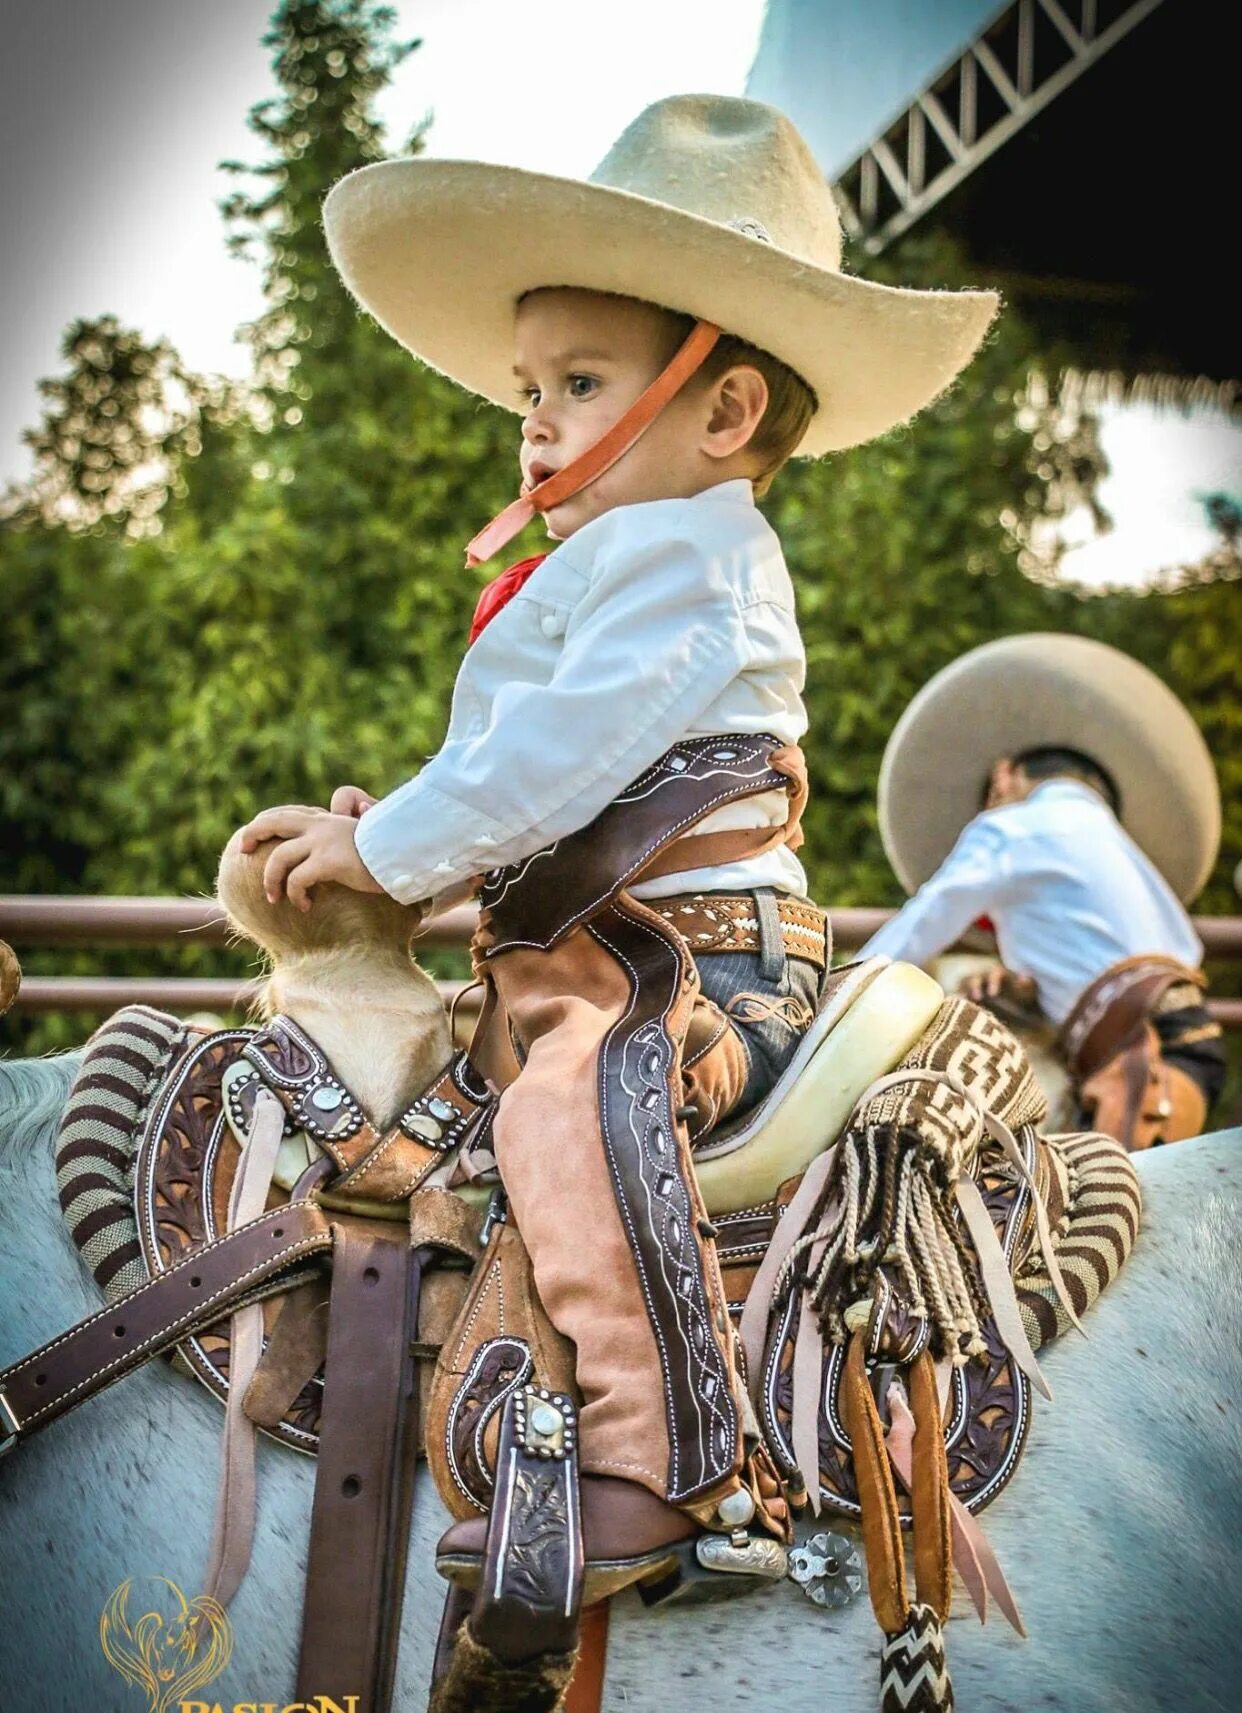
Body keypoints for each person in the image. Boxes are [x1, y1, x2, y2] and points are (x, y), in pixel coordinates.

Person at [235, 94, 998, 1589]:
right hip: (597, 952)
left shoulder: (693, 558)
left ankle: (665, 1464)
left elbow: (552, 761)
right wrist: (373, 832)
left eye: (577, 381)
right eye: (528, 383)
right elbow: (505, 771)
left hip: (693, 975)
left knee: (565, 1111)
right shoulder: (614, 563)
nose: (530, 419)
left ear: (720, 413)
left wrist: (390, 851)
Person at [865, 633, 1226, 1149]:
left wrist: (850, 993)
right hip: (1188, 1047)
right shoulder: (1122, 851)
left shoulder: (1013, 828)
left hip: (1131, 1057)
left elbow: (928, 917)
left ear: (1005, 775)